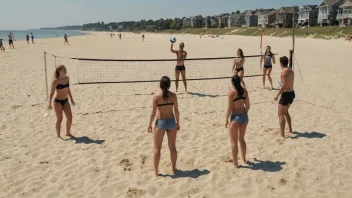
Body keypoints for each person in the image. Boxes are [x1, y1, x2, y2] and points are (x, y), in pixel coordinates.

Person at [148, 76, 180, 176]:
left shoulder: (156, 96)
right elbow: (176, 111)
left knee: (157, 148)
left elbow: (153, 113)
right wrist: (177, 123)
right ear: (169, 85)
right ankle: (174, 169)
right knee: (172, 147)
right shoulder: (173, 96)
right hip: (171, 121)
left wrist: (149, 124)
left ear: (160, 85)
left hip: (160, 122)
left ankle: (156, 171)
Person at [225, 75, 250, 168]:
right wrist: (244, 114)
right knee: (242, 139)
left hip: (235, 117)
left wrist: (226, 119)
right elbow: (248, 106)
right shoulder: (245, 91)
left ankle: (235, 164)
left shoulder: (231, 93)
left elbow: (229, 108)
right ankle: (244, 159)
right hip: (244, 116)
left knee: (233, 141)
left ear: (232, 83)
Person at [48, 65, 75, 138]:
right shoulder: (56, 80)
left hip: (66, 101)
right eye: (64, 70)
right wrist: (49, 103)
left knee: (70, 118)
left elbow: (68, 89)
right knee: (60, 119)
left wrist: (71, 99)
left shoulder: (67, 78)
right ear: (59, 71)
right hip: (58, 102)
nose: (66, 71)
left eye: (66, 69)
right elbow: (52, 92)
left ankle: (68, 133)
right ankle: (58, 135)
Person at [274, 56, 295, 139]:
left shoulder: (283, 72)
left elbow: (284, 86)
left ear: (281, 63)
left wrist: (277, 95)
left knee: (280, 114)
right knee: (286, 112)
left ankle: (282, 134)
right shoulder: (291, 70)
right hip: (292, 93)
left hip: (286, 94)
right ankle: (290, 130)